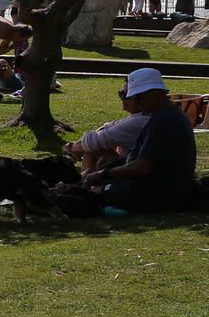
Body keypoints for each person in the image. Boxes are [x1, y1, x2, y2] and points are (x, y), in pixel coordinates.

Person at [82, 68, 196, 214]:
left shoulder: (165, 120)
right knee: (95, 185)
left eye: (136, 98)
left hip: (157, 195)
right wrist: (115, 163)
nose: (135, 104)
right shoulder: (167, 115)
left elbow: (143, 167)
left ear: (153, 93)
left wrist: (105, 174)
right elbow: (152, 158)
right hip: (163, 189)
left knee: (92, 192)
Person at [64, 85, 150, 176]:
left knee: (93, 148)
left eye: (125, 95)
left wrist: (71, 149)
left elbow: (94, 141)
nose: (123, 100)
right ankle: (83, 183)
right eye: (120, 95)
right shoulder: (139, 117)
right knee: (93, 148)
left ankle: (83, 185)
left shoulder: (139, 122)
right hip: (127, 162)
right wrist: (76, 145)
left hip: (131, 170)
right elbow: (106, 127)